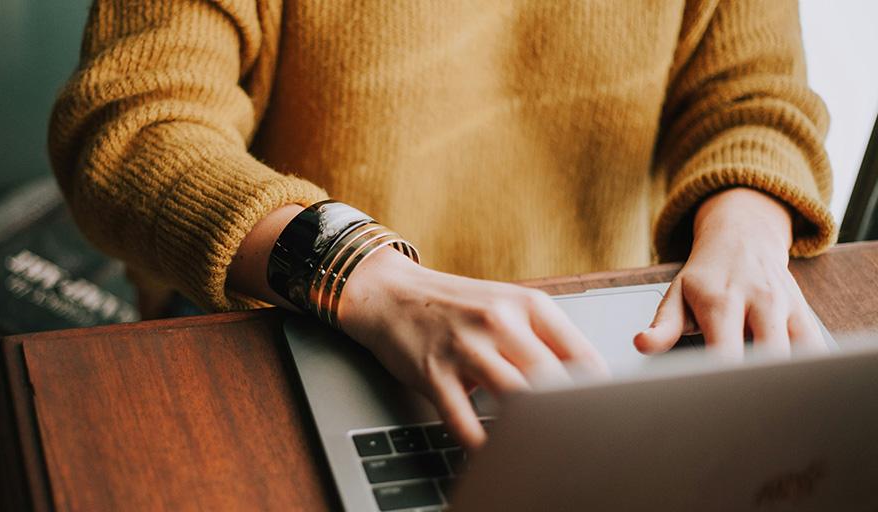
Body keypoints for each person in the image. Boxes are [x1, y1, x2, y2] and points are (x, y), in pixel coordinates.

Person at [49, 0, 835, 449]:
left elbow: (753, 95)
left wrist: (747, 229)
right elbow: (132, 129)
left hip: (586, 350)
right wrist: (367, 275)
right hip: (293, 329)